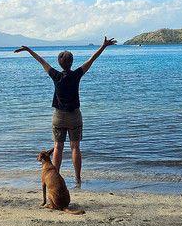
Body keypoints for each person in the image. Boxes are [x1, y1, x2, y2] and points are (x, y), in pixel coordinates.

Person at [15, 37, 117, 186]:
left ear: (59, 63)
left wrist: (28, 50)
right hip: (74, 115)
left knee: (58, 147)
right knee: (75, 147)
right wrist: (103, 46)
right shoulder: (76, 75)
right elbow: (91, 60)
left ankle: (55, 177)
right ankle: (77, 179)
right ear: (71, 62)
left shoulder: (56, 75)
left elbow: (41, 61)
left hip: (59, 116)